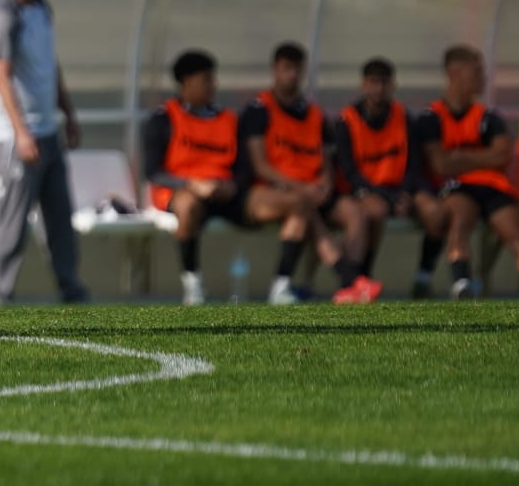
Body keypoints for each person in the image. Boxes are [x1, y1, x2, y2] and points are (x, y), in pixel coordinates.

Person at [0, 0, 87, 304]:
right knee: (11, 226)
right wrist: (21, 132)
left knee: (60, 221)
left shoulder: (41, 9)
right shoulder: (3, 15)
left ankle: (72, 292)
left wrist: (67, 114)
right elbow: (1, 76)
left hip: (47, 131)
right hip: (12, 140)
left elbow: (50, 66)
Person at [240, 43, 381, 305]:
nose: (291, 75)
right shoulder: (259, 110)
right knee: (302, 205)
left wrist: (326, 183)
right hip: (274, 192)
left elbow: (326, 159)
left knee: (355, 213)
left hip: (312, 189)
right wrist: (300, 187)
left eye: (296, 69)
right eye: (286, 68)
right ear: (275, 71)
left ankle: (348, 287)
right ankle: (349, 279)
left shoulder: (315, 114)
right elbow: (260, 166)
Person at [419, 45, 519, 300]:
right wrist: (482, 158)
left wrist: (459, 156)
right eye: (477, 71)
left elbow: (502, 154)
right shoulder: (432, 117)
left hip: (493, 186)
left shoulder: (489, 116)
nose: (483, 77)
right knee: (459, 223)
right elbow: (440, 165)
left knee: (516, 234)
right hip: (458, 187)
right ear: (455, 73)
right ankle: (462, 283)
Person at [335, 57, 448, 300]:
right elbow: (349, 171)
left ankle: (423, 278)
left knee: (436, 212)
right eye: (373, 82)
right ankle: (361, 280)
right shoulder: (347, 120)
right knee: (374, 211)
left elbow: (414, 162)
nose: (378, 89)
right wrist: (388, 197)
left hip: (402, 188)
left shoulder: (403, 116)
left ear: (393, 85)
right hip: (369, 191)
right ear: (363, 85)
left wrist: (405, 194)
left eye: (383, 83)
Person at [142, 49, 243, 306]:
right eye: (205, 80)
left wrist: (234, 185)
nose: (213, 85)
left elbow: (244, 166)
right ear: (185, 82)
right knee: (188, 205)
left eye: (213, 79)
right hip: (179, 192)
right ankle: (193, 284)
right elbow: (152, 171)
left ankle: (284, 286)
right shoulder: (164, 117)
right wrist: (191, 184)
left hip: (223, 192)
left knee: (285, 204)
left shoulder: (228, 119)